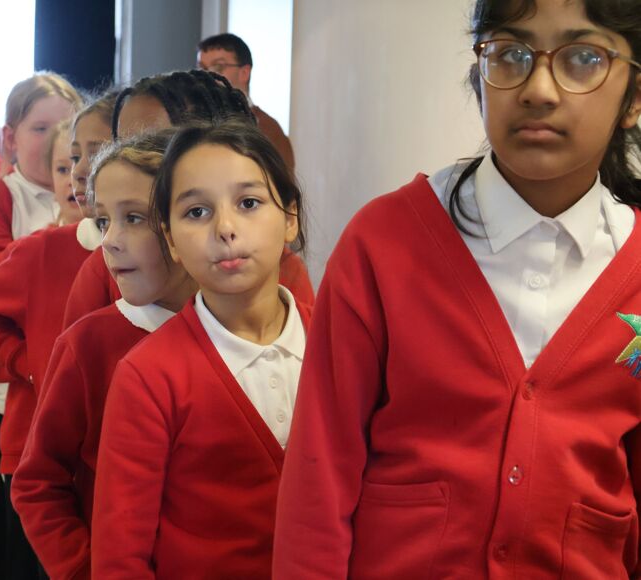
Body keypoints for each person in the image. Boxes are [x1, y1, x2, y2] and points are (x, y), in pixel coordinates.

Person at [273, 0, 641, 577]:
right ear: (480, 71)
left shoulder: (633, 266)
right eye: (510, 53)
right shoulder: (384, 244)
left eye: (584, 58)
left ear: (634, 98)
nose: (539, 90)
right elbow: (319, 475)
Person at [91, 121, 309, 577]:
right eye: (196, 212)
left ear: (290, 216)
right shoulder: (149, 375)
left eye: (248, 203)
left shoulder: (340, 341)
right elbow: (120, 554)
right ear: (170, 238)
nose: (225, 228)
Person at [11, 130, 195, 578]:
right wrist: (82, 569)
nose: (110, 240)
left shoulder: (238, 333)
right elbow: (37, 481)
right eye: (103, 221)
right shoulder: (88, 345)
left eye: (134, 217)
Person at [0, 71, 82, 580]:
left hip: (65, 399)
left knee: (45, 540)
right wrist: (57, 242)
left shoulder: (92, 199)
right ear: (11, 135)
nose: (53, 141)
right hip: (1, 396)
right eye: (39, 128)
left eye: (65, 129)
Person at [62, 70, 314, 330]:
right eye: (124, 144)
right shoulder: (107, 268)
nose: (133, 159)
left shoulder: (270, 266)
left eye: (157, 146)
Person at [197, 33, 295, 171]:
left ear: (244, 73)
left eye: (218, 67)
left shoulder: (267, 129)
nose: (206, 75)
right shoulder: (191, 122)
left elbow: (281, 183)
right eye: (201, 68)